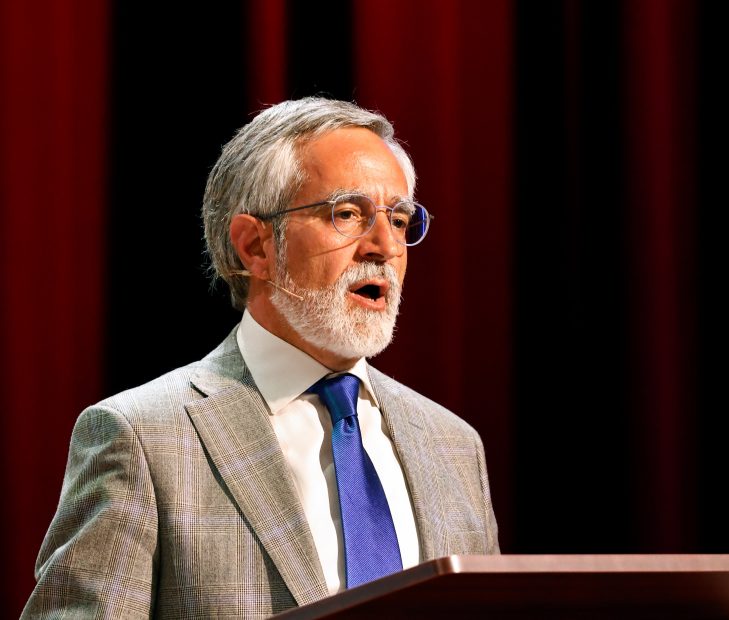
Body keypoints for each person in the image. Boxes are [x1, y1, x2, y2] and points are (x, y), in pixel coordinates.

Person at [23, 97, 499, 619]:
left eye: (400, 218)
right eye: (347, 214)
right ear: (254, 246)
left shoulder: (453, 446)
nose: (384, 245)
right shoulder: (142, 437)